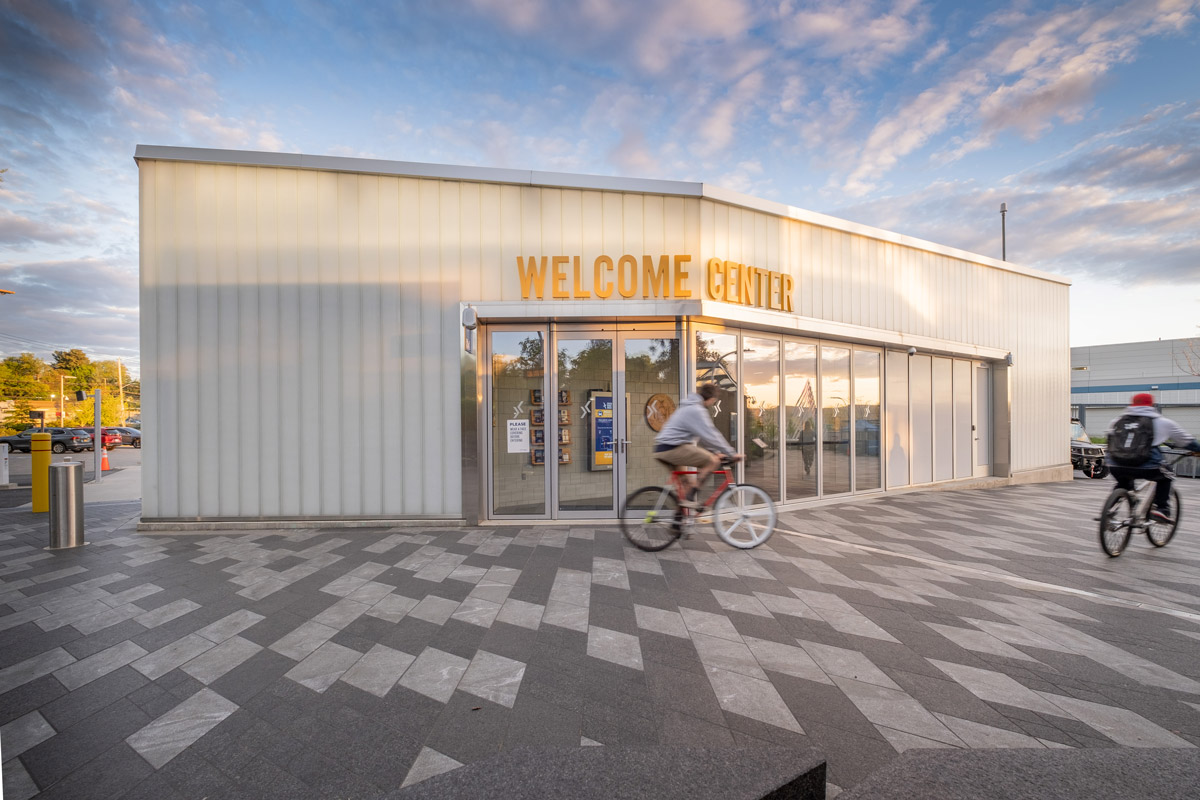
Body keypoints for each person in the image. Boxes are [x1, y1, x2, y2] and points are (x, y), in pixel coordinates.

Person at [1105, 393, 1200, 523]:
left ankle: (1109, 510)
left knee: (1123, 481)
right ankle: (1161, 509)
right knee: (1167, 475)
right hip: (1148, 466)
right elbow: (1186, 440)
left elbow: (1110, 440)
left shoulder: (1116, 421)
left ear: (1132, 404)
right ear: (1151, 405)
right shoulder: (1162, 422)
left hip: (1115, 465)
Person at [654, 383, 742, 506]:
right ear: (711, 399)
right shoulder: (697, 410)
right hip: (672, 448)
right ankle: (692, 495)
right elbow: (711, 434)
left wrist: (717, 451)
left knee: (686, 486)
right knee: (713, 461)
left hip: (663, 448)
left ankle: (678, 522)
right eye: (713, 401)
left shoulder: (688, 407)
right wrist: (731, 453)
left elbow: (703, 436)